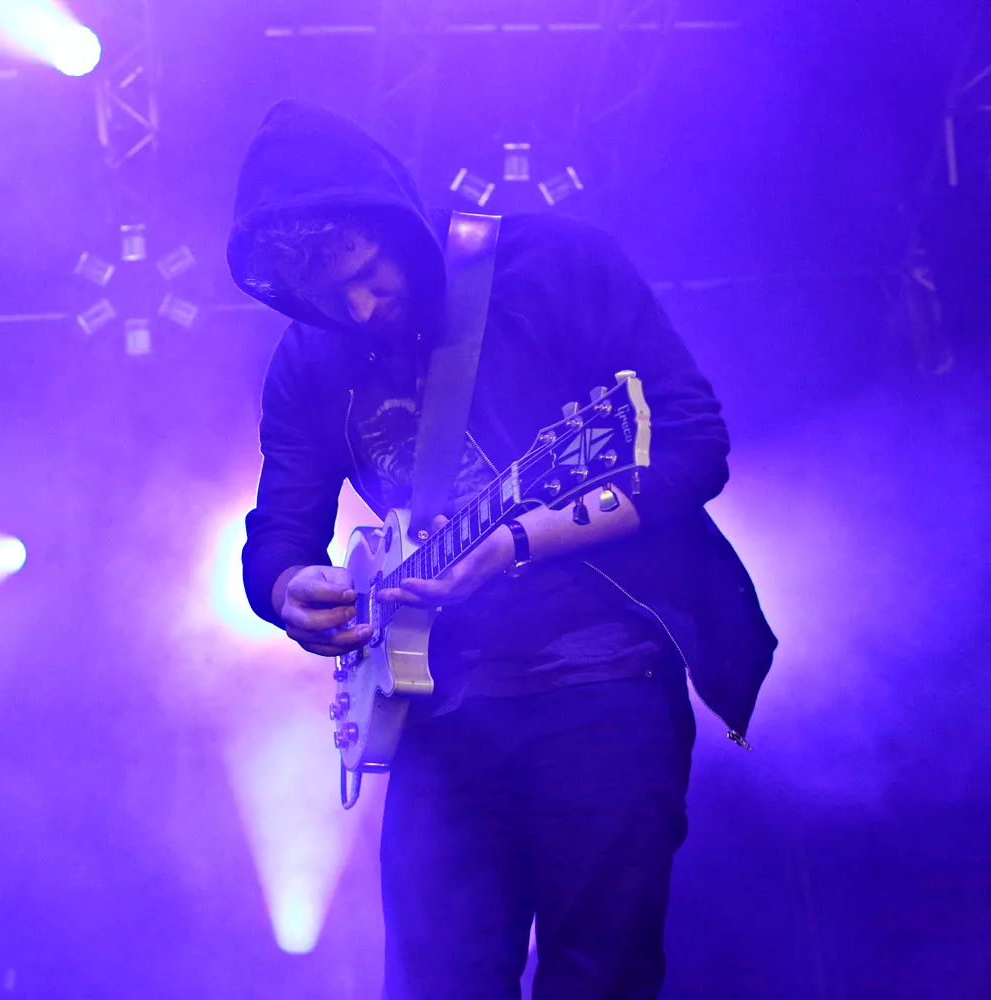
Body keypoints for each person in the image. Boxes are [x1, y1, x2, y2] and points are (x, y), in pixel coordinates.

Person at [226, 100, 776, 999]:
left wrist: (520, 540)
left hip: (601, 676)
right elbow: (279, 530)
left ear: (396, 219)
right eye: (328, 296)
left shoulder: (550, 265)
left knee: (597, 979)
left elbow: (690, 443)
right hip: (439, 716)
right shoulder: (308, 361)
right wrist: (289, 589)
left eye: (367, 272)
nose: (359, 307)